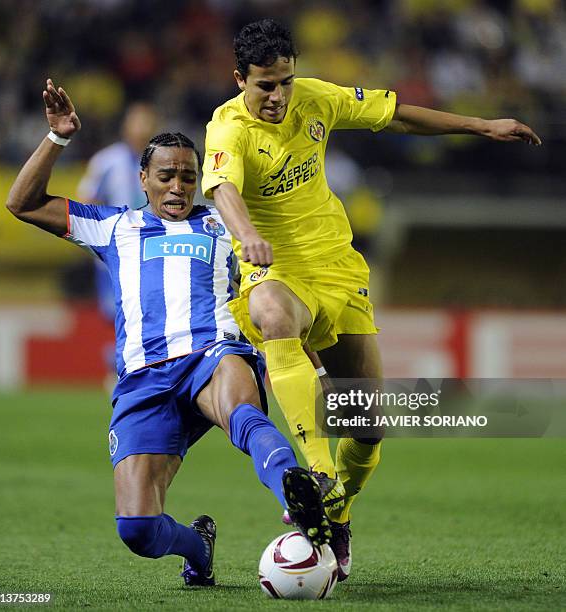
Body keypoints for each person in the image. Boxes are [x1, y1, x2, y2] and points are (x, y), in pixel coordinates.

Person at [201, 19, 541, 581]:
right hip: (273, 266)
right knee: (270, 313)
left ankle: (338, 515)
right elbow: (224, 189)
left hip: (337, 268)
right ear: (240, 79)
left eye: (285, 81)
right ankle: (314, 473)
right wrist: (246, 235)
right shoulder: (227, 128)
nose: (278, 95)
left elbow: (397, 114)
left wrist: (480, 125)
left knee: (368, 422)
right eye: (265, 85)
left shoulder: (317, 100)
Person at [6, 79, 332, 588]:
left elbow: (273, 307)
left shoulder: (226, 229)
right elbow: (21, 203)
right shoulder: (113, 226)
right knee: (137, 528)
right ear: (143, 179)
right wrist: (59, 138)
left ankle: (296, 489)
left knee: (241, 410)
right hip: (144, 380)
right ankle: (196, 547)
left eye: (187, 176)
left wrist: (316, 365)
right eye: (166, 177)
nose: (178, 187)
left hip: (212, 353)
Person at [78, 103, 158, 383]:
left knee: (146, 312)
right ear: (126, 126)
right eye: (138, 121)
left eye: (148, 122)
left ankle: (123, 365)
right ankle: (122, 363)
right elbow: (87, 202)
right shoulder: (106, 161)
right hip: (116, 252)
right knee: (117, 313)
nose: (143, 128)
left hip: (151, 251)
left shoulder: (162, 160)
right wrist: (99, 243)